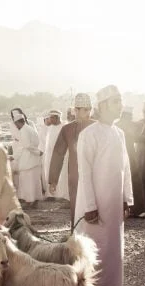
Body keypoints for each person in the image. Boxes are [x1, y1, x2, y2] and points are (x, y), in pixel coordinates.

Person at [75, 85, 133, 286]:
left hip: (114, 203)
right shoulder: (89, 134)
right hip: (95, 204)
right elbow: (85, 172)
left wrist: (127, 198)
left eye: (120, 100)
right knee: (94, 249)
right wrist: (90, 205)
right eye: (115, 101)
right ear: (103, 106)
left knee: (113, 249)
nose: (120, 105)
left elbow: (125, 168)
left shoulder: (120, 134)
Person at [48, 93, 95, 229]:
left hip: (95, 176)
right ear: (75, 110)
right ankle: (77, 238)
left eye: (87, 109)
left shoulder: (98, 128)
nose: (85, 112)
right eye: (81, 109)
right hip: (75, 176)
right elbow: (58, 154)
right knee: (76, 207)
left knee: (95, 207)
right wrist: (53, 180)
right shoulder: (67, 129)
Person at [116, 107, 145, 219]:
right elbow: (141, 127)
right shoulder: (131, 125)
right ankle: (138, 210)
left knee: (118, 183)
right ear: (129, 116)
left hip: (117, 156)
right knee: (135, 181)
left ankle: (120, 211)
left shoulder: (116, 125)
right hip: (130, 155)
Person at [11, 110, 43, 208]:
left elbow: (27, 145)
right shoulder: (30, 128)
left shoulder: (24, 130)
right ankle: (34, 201)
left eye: (16, 124)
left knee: (27, 181)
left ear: (18, 122)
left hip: (28, 159)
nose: (16, 126)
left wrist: (38, 152)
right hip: (33, 159)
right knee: (34, 181)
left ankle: (30, 202)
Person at [43, 110, 69, 200]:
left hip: (61, 155)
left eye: (52, 118)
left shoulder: (64, 127)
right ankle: (50, 194)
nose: (50, 120)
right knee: (49, 173)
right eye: (50, 118)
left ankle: (60, 195)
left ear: (57, 118)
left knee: (61, 174)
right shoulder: (50, 128)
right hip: (49, 156)